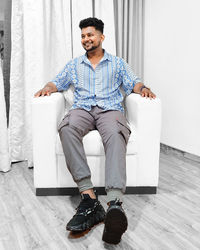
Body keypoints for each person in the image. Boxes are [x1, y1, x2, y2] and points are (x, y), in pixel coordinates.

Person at [34, 17, 156, 245]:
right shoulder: (74, 65)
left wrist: (144, 89)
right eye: (82, 36)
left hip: (110, 110)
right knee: (67, 128)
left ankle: (114, 205)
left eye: (90, 35)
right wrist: (47, 88)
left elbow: (133, 82)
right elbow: (57, 82)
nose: (86, 39)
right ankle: (89, 198)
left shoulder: (117, 63)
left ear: (101, 37)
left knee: (116, 134)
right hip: (82, 110)